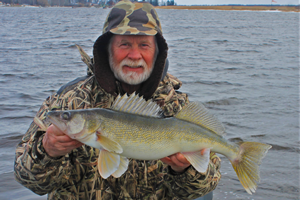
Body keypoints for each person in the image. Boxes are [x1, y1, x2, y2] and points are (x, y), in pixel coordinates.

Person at [14, 1, 221, 199]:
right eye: (124, 43)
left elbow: (202, 187)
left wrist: (183, 169)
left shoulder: (176, 106)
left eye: (144, 45)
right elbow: (29, 180)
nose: (134, 55)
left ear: (157, 53)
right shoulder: (68, 101)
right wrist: (47, 151)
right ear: (108, 50)